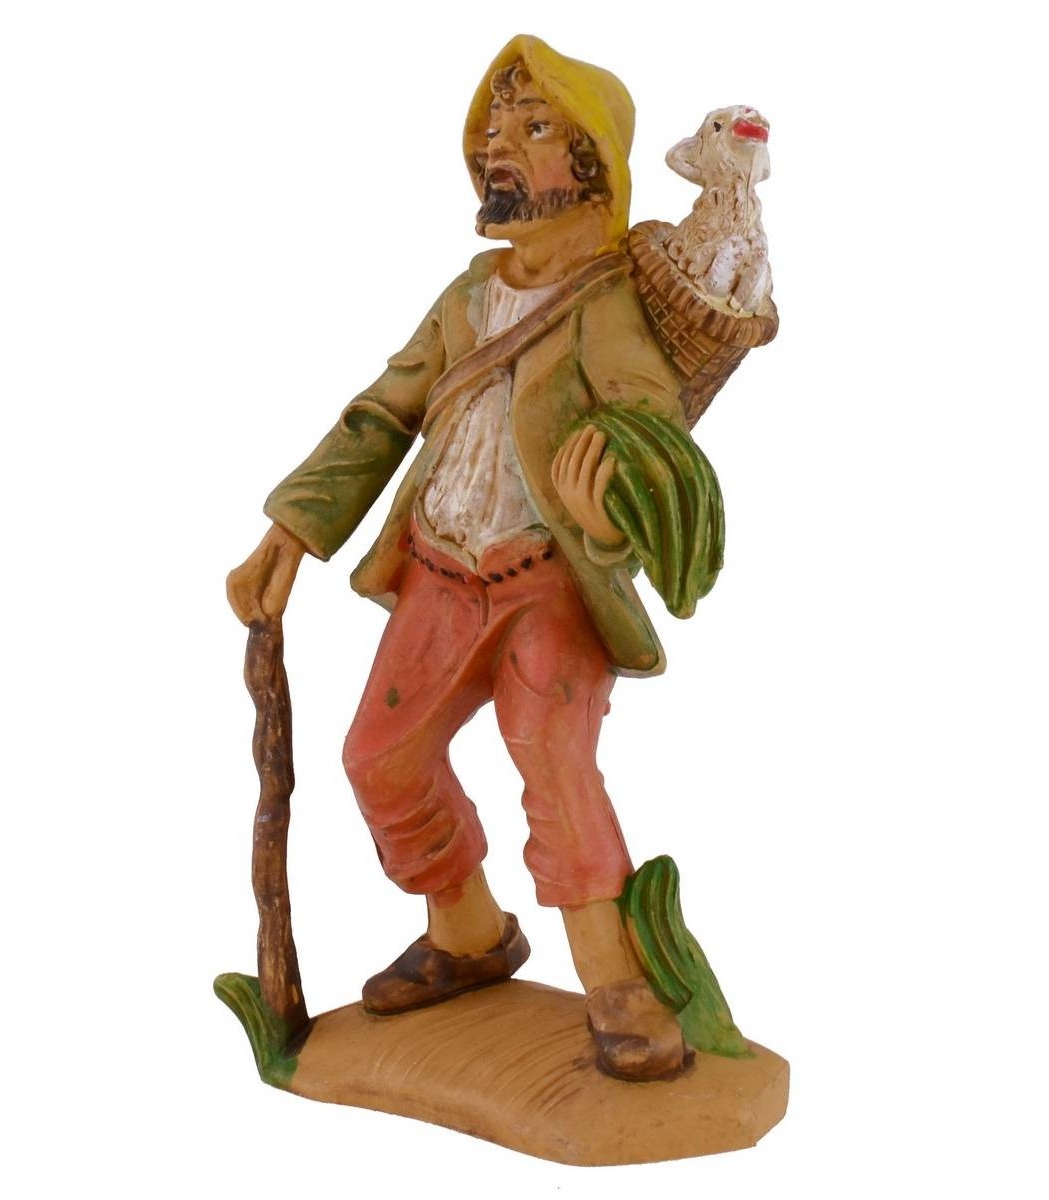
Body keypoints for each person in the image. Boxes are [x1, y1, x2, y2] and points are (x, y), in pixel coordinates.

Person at [228, 35, 695, 1080]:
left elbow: (652, 429)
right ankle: (469, 932)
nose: (500, 149)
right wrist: (291, 530)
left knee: (553, 757)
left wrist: (609, 510)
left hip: (546, 584)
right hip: (442, 570)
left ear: (593, 168)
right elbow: (384, 410)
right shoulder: (466, 297)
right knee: (380, 759)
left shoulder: (605, 306)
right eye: (494, 131)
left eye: (534, 128)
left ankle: (613, 977)